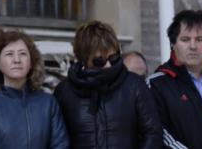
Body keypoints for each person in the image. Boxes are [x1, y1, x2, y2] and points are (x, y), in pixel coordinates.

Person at [53, 20, 160, 148]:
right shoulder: (65, 92)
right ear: (84, 59)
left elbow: (153, 133)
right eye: (99, 60)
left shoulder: (134, 86)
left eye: (113, 58)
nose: (108, 65)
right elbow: (58, 140)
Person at [0, 28, 69, 149]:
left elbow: (61, 146)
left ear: (31, 63)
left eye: (23, 54)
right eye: (9, 54)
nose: (17, 60)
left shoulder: (48, 104)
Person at [148, 9, 202, 149]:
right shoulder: (157, 84)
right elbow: (158, 132)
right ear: (173, 44)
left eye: (199, 39)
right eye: (185, 40)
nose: (193, 46)